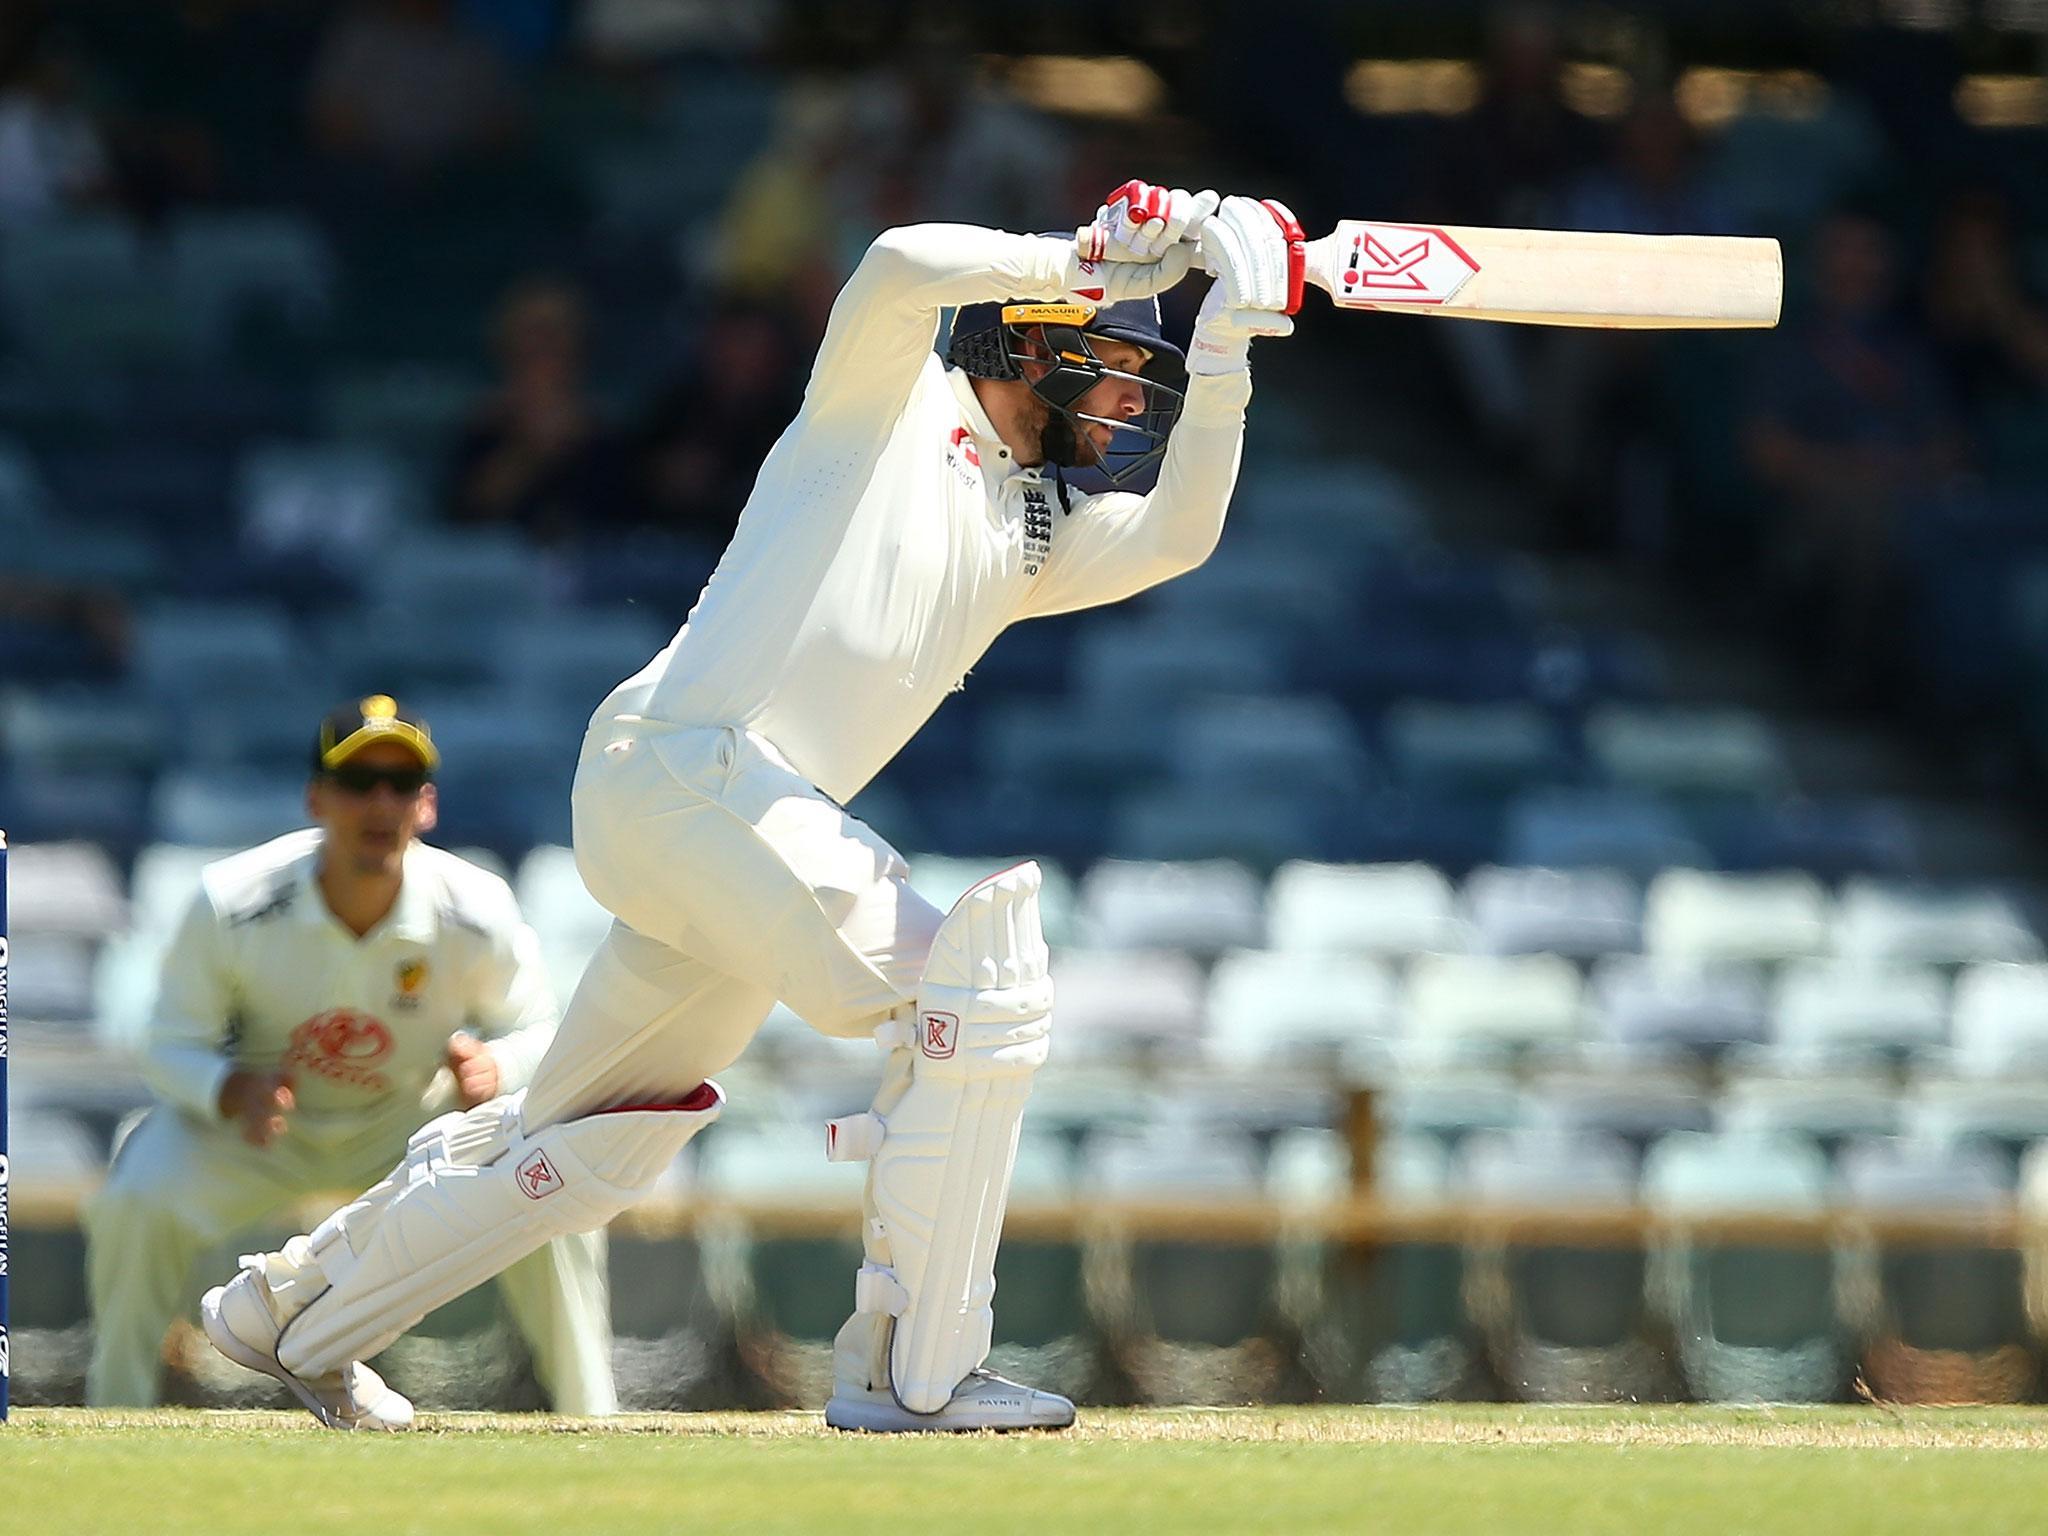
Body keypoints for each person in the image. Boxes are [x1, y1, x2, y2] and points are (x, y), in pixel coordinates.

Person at [201, 181, 1296, 1432]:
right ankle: (911, 1374)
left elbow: (1175, 540)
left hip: (729, 828)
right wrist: (1081, 252)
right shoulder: (884, 411)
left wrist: (1223, 362)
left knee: (587, 1141)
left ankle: (289, 1314)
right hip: (688, 767)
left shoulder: (1032, 524)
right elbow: (894, 262)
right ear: (1026, 345)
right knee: (972, 993)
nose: (1125, 401)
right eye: (1107, 366)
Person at [90, 697, 616, 1419]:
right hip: (262, 1131)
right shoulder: (233, 902)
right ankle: (112, 1411)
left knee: (545, 1182)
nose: (380, 802)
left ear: (426, 805)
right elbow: (166, 1043)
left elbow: (542, 1031)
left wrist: (497, 1067)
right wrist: (227, 1087)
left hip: (408, 1127)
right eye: (358, 779)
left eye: (401, 785)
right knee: (137, 1193)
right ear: (316, 798)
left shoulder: (474, 908)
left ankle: (593, 1417)